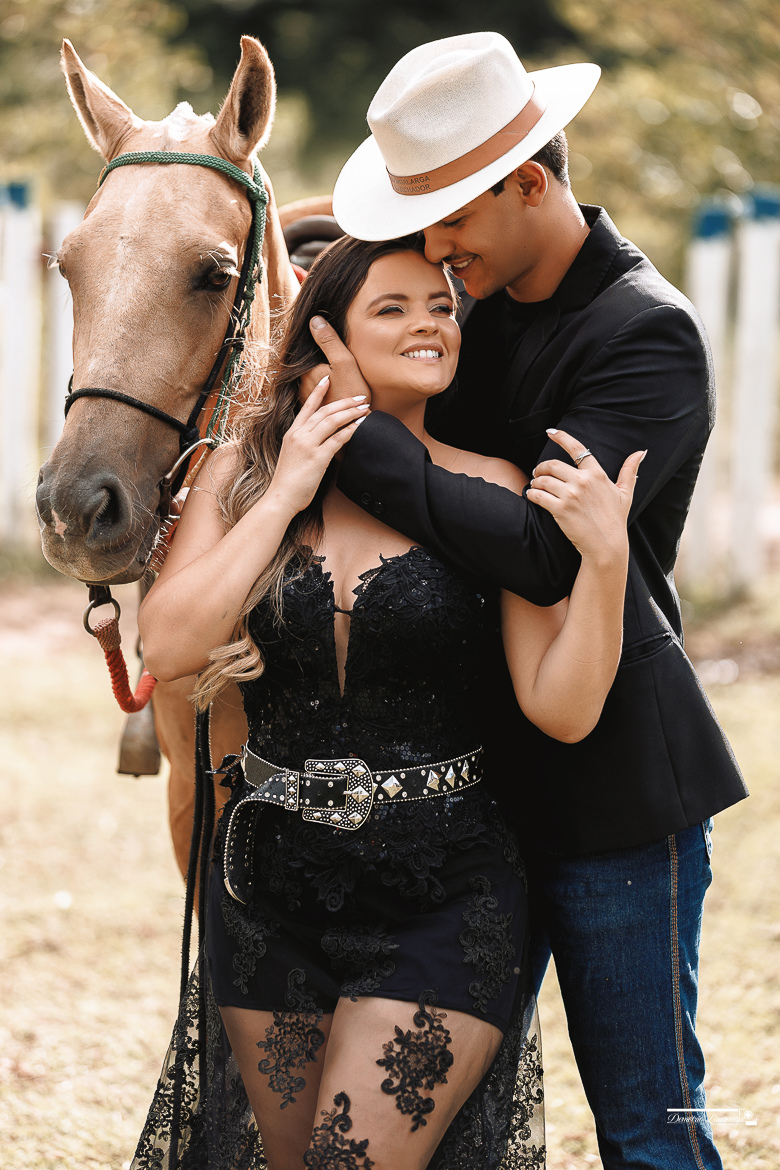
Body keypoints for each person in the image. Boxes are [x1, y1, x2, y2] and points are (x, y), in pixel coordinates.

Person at [302, 31, 748, 1170]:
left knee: (649, 1126)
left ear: (530, 184)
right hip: (461, 804)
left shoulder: (646, 333)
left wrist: (359, 436)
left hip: (609, 791)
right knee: (450, 1131)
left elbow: (548, 555)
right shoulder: (466, 311)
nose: (435, 250)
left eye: (451, 219)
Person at [130, 233, 642, 1170]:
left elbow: (561, 707)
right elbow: (166, 646)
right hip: (268, 888)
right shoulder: (241, 474)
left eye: (442, 307)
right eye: (393, 308)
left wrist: (605, 563)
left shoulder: (491, 485)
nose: (429, 325)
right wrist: (285, 491)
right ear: (328, 334)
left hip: (443, 891)